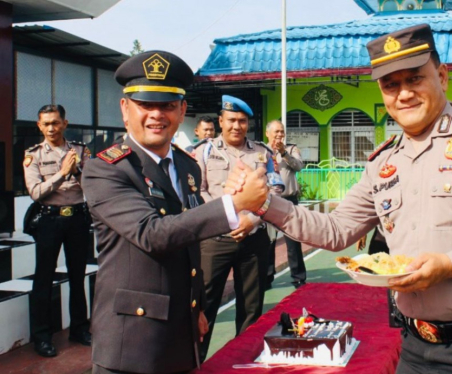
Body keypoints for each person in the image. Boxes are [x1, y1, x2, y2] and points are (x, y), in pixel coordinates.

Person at [227, 24, 452, 373]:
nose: (404, 94)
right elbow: (336, 230)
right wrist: (263, 202)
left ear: (442, 77)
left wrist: (450, 264)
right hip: (414, 348)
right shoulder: (384, 162)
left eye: (415, 79)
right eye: (391, 84)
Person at [81, 51, 268, 374]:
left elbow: (189, 241)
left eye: (167, 106)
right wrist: (234, 205)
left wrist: (192, 307)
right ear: (126, 109)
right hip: (133, 343)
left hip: (181, 330)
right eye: (145, 105)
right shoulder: (106, 169)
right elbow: (153, 234)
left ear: (182, 111)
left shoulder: (186, 165)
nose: (156, 115)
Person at [195, 95, 281, 361]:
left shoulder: (262, 153)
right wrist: (227, 217)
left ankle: (243, 363)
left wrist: (252, 219)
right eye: (231, 120)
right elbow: (197, 191)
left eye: (242, 121)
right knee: (204, 308)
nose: (236, 126)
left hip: (253, 239)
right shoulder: (204, 151)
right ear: (221, 121)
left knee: (251, 310)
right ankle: (196, 364)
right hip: (214, 241)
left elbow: (275, 189)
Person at [23, 104, 92, 358]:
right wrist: (63, 174)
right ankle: (42, 337)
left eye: (55, 122)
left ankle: (79, 329)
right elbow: (36, 192)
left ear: (65, 123)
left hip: (77, 219)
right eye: (46, 123)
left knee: (78, 275)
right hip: (49, 220)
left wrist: (78, 171)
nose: (51, 128)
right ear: (39, 126)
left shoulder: (80, 151)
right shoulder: (34, 155)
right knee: (43, 278)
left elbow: (92, 187)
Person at [264, 119, 307, 289]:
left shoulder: (291, 149)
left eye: (282, 132)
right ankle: (267, 277)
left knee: (293, 239)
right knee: (268, 241)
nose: (280, 135)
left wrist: (284, 154)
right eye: (277, 132)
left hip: (289, 200)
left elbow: (299, 166)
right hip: (269, 200)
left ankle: (298, 277)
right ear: (268, 133)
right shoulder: (262, 150)